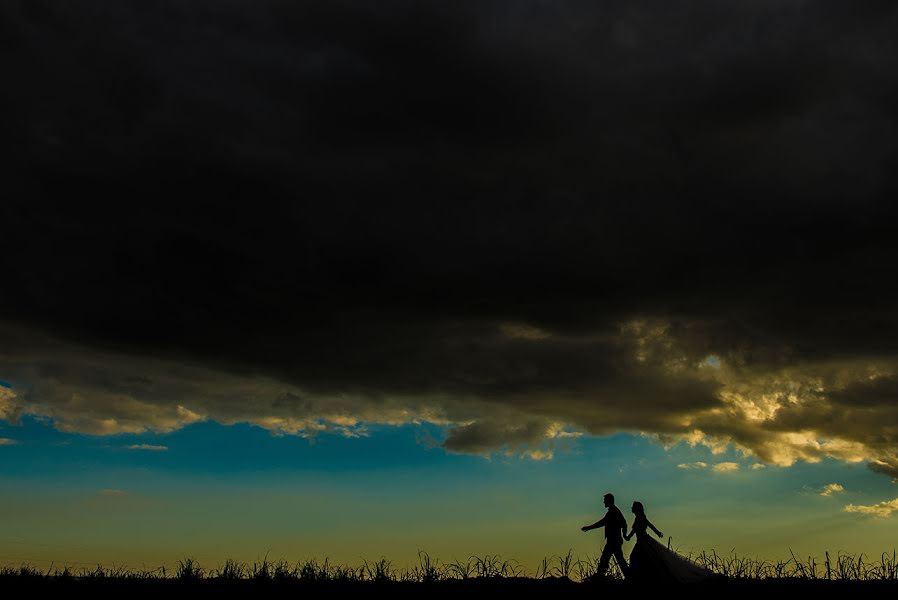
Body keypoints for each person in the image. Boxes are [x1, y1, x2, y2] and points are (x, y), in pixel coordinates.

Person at [625, 501, 719, 583]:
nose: (631, 508)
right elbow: (636, 530)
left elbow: (649, 525)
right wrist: (628, 537)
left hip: (644, 542)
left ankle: (636, 578)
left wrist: (657, 532)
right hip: (641, 542)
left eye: (633, 507)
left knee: (640, 558)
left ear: (636, 509)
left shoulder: (641, 518)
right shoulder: (638, 518)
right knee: (640, 558)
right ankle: (638, 578)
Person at [581, 492, 628, 578]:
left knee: (607, 559)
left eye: (605, 500)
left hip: (613, 540)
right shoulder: (615, 511)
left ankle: (600, 576)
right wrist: (624, 535)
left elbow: (602, 522)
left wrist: (589, 527)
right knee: (616, 560)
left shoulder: (613, 512)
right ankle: (601, 575)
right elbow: (624, 523)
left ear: (609, 501)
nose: (603, 502)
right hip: (615, 540)